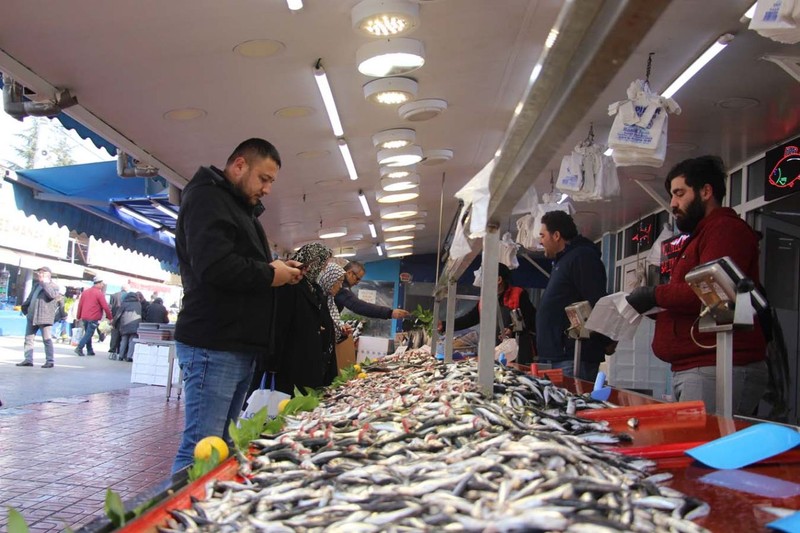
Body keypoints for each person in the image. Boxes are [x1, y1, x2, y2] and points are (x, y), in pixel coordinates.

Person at [171, 138, 302, 475]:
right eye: (264, 178)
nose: (268, 189)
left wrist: (274, 268)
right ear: (239, 165)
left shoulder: (234, 206)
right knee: (202, 447)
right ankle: (174, 523)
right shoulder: (207, 198)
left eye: (271, 181)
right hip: (213, 342)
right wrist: (270, 274)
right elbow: (215, 267)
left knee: (220, 446)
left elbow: (236, 262)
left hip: (233, 343)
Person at [627, 155, 767, 415]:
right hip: (696, 367)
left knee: (701, 450)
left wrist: (655, 295)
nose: (673, 204)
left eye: (680, 193)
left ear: (705, 191)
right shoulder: (701, 236)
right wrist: (657, 310)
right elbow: (695, 300)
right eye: (671, 196)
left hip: (717, 366)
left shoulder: (725, 230)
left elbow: (710, 290)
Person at [536, 211, 615, 381]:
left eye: (542, 235)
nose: (540, 241)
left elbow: (596, 302)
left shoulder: (582, 257)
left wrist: (605, 340)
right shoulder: (562, 262)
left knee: (572, 406)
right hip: (558, 357)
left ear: (556, 235)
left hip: (573, 358)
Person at [268, 243, 337, 395]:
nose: (324, 268)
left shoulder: (316, 289)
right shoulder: (289, 285)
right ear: (312, 263)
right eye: (323, 263)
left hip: (311, 359)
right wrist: (271, 363)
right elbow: (279, 323)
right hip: (291, 359)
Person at [438, 263, 537, 364]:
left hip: (518, 353)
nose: (483, 281)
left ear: (499, 280)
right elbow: (471, 318)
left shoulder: (518, 294)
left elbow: (531, 320)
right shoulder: (486, 298)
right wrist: (445, 325)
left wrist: (512, 330)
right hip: (495, 350)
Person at [334, 260, 410, 320]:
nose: (357, 283)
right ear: (349, 273)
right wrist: (390, 313)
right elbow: (357, 305)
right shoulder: (340, 287)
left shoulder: (343, 286)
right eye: (357, 279)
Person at [16, 267, 60, 368]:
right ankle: (28, 360)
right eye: (39, 273)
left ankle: (50, 361)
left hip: (44, 317)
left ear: (47, 275)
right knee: (28, 338)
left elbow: (52, 295)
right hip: (32, 316)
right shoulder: (36, 285)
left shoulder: (54, 286)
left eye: (41, 273)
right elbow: (30, 297)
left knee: (47, 339)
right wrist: (25, 308)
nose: (39, 275)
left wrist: (45, 283)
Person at [75, 279, 112, 357]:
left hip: (84, 316)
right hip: (93, 316)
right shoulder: (99, 293)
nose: (102, 286)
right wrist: (110, 317)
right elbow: (105, 306)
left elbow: (80, 305)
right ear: (97, 284)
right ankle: (79, 347)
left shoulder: (85, 292)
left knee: (87, 333)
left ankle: (90, 350)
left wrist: (78, 316)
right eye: (102, 284)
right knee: (89, 333)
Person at [320, 262, 353, 343]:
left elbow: (331, 335)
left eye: (342, 282)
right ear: (330, 279)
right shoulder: (318, 302)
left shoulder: (330, 302)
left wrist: (343, 332)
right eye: (339, 281)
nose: (341, 286)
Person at [113, 291, 142, 362]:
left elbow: (118, 314)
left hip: (124, 324)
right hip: (135, 324)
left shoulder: (124, 303)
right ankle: (129, 356)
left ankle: (121, 356)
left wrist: (114, 323)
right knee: (132, 340)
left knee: (124, 340)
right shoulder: (138, 304)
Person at [108, 284, 129, 358]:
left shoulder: (114, 295)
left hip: (115, 317)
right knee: (122, 336)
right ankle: (120, 353)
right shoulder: (128, 296)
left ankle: (112, 351)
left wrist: (110, 318)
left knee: (114, 335)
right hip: (124, 319)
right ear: (127, 289)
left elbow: (110, 307)